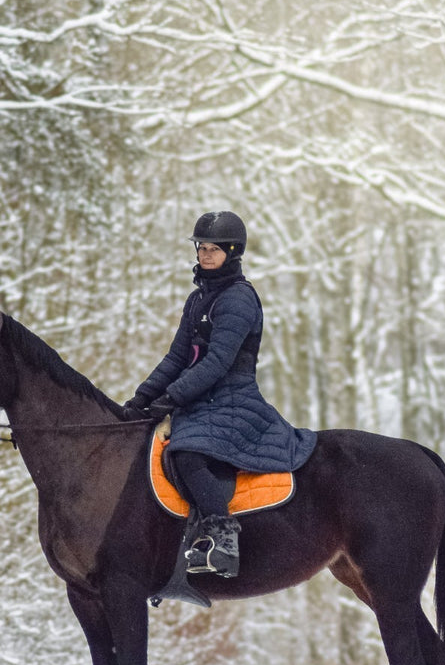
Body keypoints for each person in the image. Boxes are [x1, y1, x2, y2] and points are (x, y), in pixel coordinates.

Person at [123, 210, 316, 597]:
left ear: (233, 252)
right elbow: (177, 358)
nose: (206, 255)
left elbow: (217, 363)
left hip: (233, 400)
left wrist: (172, 397)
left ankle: (222, 539)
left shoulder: (240, 299)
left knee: (188, 455)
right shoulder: (198, 300)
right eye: (201, 248)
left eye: (213, 249)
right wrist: (140, 399)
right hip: (200, 401)